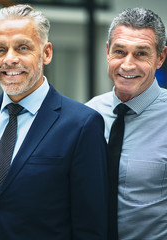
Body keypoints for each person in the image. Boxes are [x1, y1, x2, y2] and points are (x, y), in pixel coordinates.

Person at [0, 4, 108, 240]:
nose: (10, 59)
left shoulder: (82, 124)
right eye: (0, 49)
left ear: (46, 53)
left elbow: (90, 225)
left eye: (22, 48)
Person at [86, 8, 167, 240]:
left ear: (160, 57)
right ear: (107, 52)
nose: (128, 65)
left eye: (141, 54)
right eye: (119, 51)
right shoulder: (87, 114)